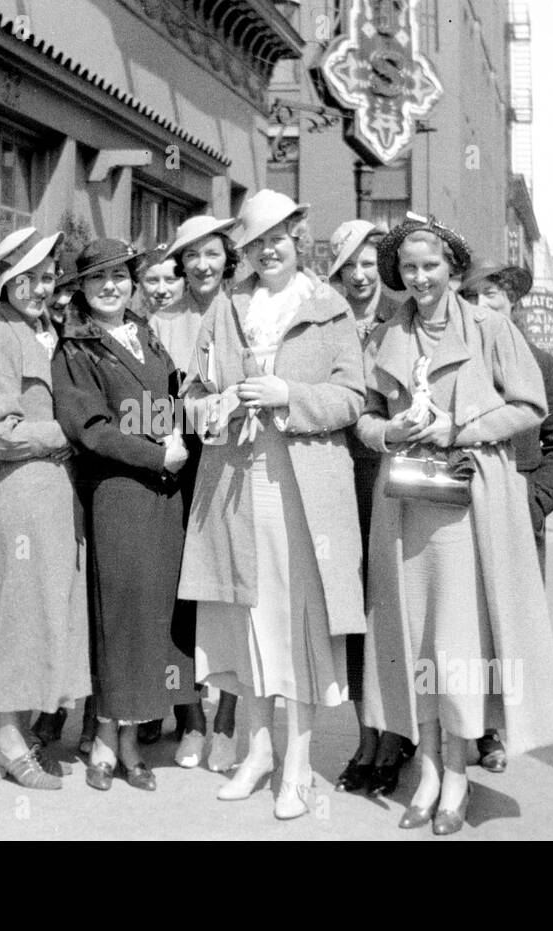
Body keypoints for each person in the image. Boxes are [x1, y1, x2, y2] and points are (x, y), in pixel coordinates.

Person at [357, 214, 553, 834]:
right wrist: (389, 430)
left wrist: (460, 428)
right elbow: (365, 419)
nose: (419, 278)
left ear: (452, 269)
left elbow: (532, 407)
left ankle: (457, 775)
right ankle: (424, 768)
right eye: (409, 269)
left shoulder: (491, 328)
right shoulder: (386, 333)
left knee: (456, 645)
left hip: (469, 505)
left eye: (431, 267)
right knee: (413, 638)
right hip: (403, 505)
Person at [179, 190, 366, 820]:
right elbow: (193, 392)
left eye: (279, 237)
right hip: (234, 481)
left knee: (298, 623)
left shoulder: (329, 308)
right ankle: (257, 750)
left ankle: (298, 763)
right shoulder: (227, 309)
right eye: (257, 243)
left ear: (298, 237)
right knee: (246, 616)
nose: (269, 251)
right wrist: (215, 406)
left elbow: (352, 399)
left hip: (304, 487)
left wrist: (288, 393)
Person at [52, 239, 195, 791]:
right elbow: (90, 428)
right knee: (117, 616)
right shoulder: (76, 347)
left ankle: (130, 736)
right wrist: (157, 454)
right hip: (119, 491)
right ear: (82, 289)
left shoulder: (145, 335)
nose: (110, 287)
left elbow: (157, 409)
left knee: (150, 617)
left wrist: (180, 431)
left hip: (163, 493)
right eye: (98, 279)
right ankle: (110, 740)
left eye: (119, 276)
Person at [0, 228, 91, 790]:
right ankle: (6, 736)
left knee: (49, 608)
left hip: (58, 489)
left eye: (48, 278)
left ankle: (25, 727)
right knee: (19, 611)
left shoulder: (48, 331)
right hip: (23, 488)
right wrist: (67, 432)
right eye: (29, 279)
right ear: (6, 281)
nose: (42, 288)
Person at [459, 261, 553, 774]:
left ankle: (496, 731)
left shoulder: (540, 362)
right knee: (464, 619)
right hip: (460, 509)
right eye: (474, 295)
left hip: (517, 513)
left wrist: (536, 501)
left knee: (509, 619)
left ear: (513, 302)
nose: (485, 304)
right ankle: (458, 724)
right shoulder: (457, 360)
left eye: (495, 294)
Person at [147, 214, 241, 771]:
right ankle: (191, 717)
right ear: (179, 265)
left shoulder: (245, 311)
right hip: (182, 461)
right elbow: (152, 402)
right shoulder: (161, 322)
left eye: (212, 255)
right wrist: (179, 426)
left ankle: (228, 719)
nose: (202, 266)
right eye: (191, 257)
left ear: (227, 258)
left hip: (236, 463)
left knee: (229, 589)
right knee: (182, 594)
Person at [325, 219, 414, 797]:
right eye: (346, 266)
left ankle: (396, 735)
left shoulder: (402, 320)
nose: (358, 276)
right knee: (354, 610)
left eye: (366, 264)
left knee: (394, 605)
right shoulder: (324, 322)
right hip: (338, 479)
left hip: (392, 474)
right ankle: (366, 734)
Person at [132, 245, 184, 319]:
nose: (161, 290)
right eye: (153, 281)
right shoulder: (134, 327)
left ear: (186, 282)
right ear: (142, 285)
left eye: (170, 280)